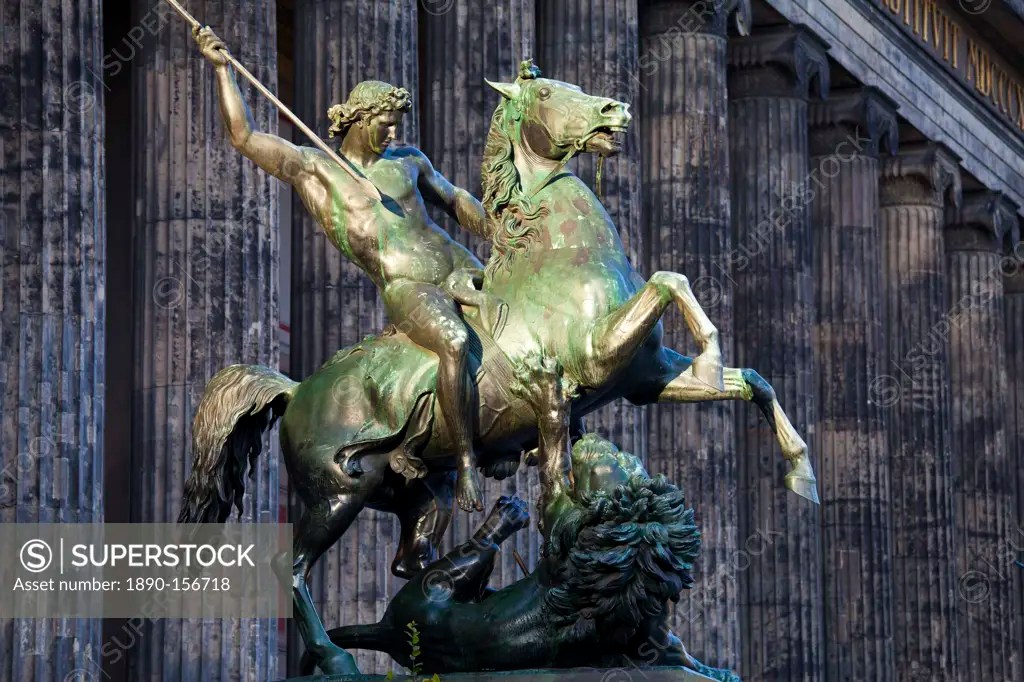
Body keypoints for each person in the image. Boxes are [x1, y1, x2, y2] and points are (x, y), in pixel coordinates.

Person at [195, 25, 489, 512]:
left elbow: (455, 200)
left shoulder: (409, 161)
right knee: (455, 343)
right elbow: (244, 137)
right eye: (385, 124)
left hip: (459, 262)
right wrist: (222, 70)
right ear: (358, 119)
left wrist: (497, 224)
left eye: (396, 124)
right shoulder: (317, 170)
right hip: (408, 285)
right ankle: (464, 464)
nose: (393, 133)